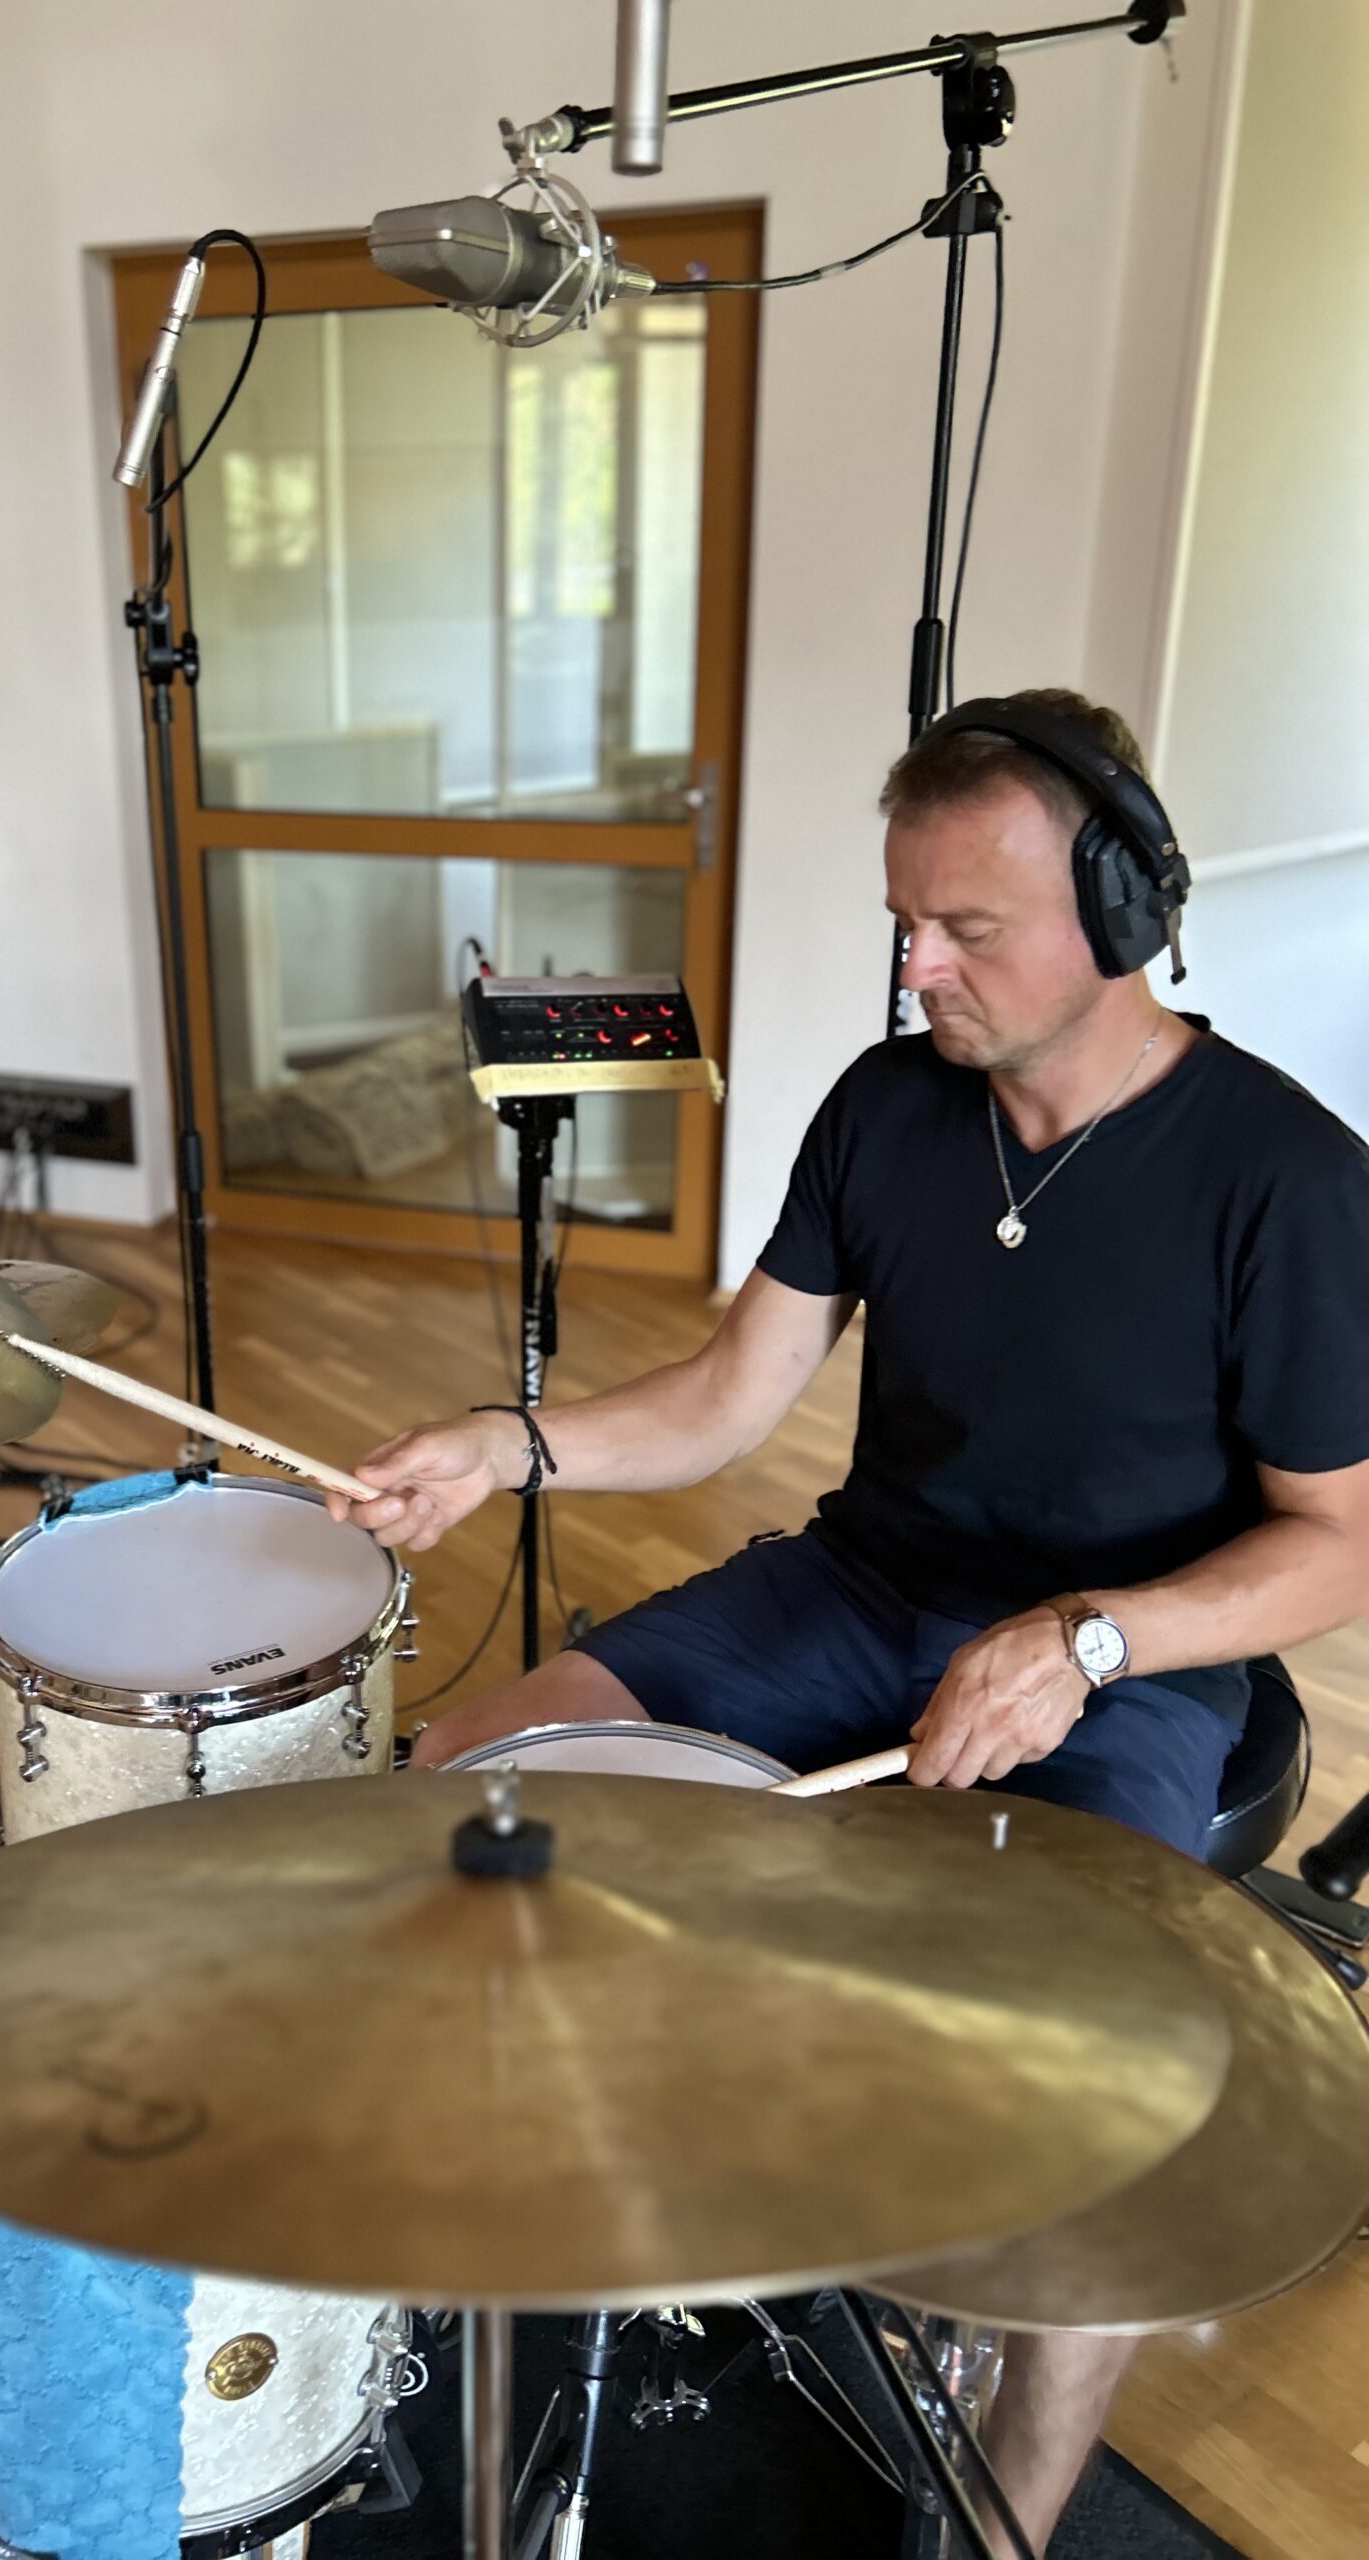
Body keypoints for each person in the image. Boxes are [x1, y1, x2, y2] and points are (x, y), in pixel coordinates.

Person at [328, 689, 1369, 2556]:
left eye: (967, 927)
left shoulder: (1287, 1181)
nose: (917, 966)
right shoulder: (889, 1108)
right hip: (860, 1586)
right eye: (904, 919)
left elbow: (1341, 1545)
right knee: (472, 1772)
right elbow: (733, 1396)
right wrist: (505, 1444)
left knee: (1093, 2104)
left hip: (1127, 1661)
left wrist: (1089, 1642)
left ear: (1124, 913)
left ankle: (1001, 2522)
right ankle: (594, 2210)